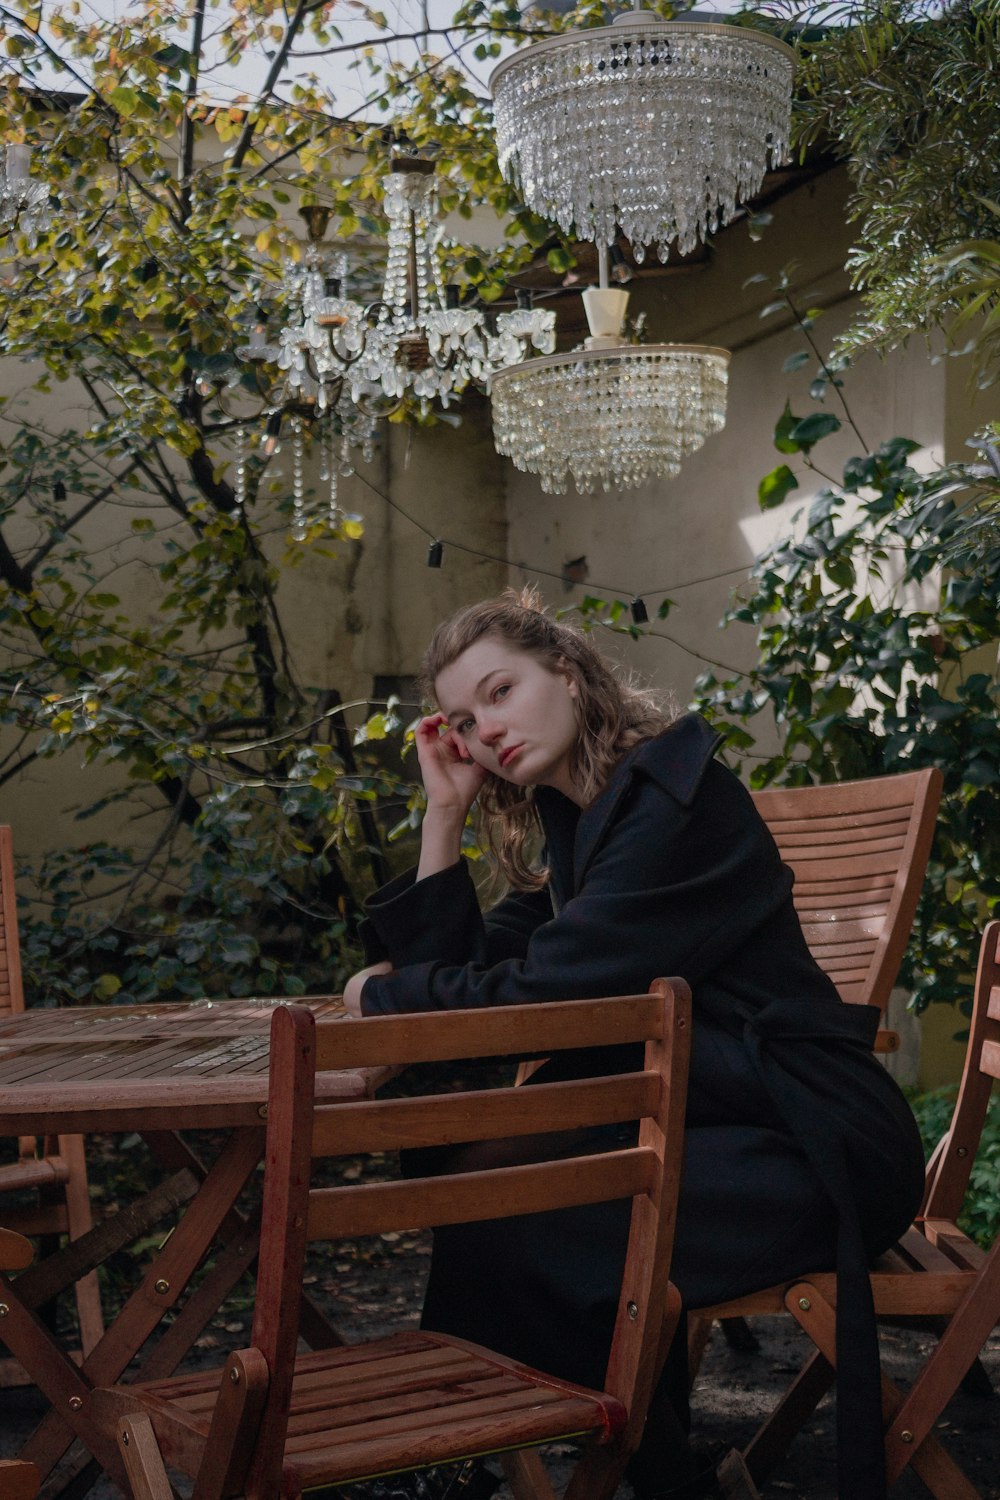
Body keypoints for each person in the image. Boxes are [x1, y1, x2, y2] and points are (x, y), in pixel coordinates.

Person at [344, 590, 925, 1500]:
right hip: (727, 1124)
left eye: (501, 692)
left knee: (524, 1208)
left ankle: (462, 1459)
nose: (486, 731)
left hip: (818, 1147)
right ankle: (523, 1462)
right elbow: (491, 973)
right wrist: (442, 821)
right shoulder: (588, 817)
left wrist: (385, 995)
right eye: (463, 719)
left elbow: (548, 993)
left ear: (568, 674)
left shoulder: (671, 800)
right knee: (495, 1186)